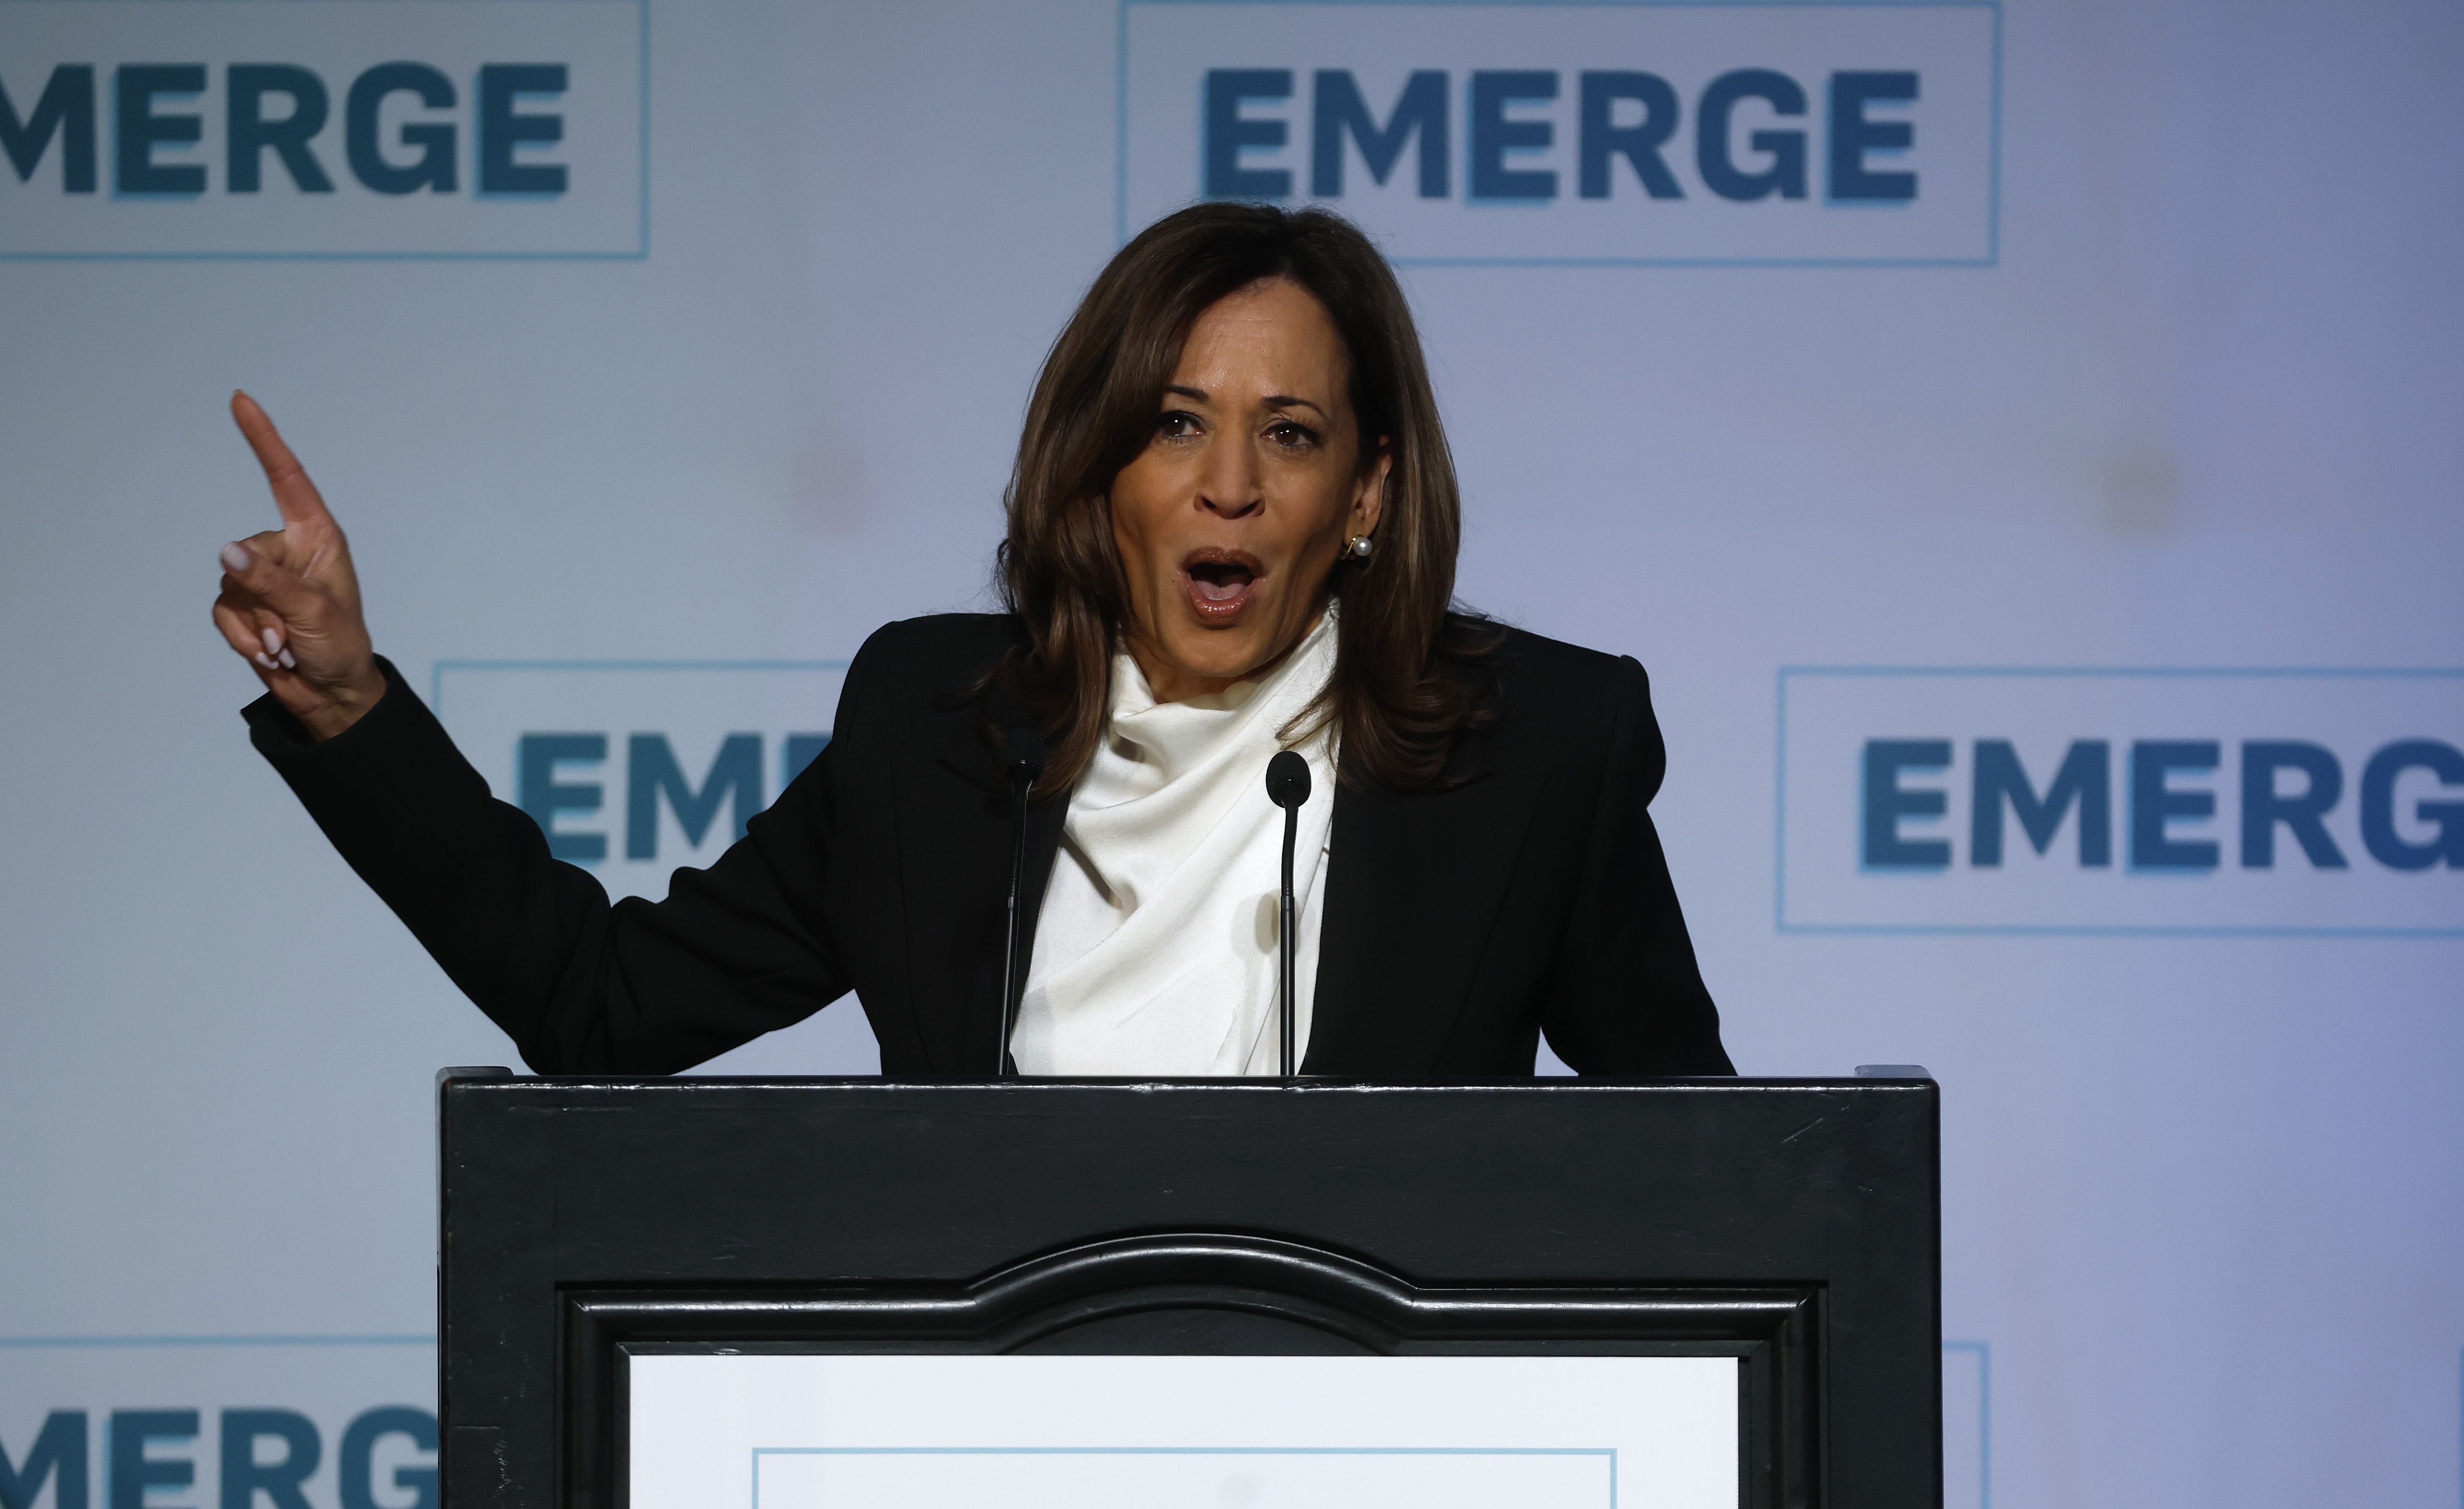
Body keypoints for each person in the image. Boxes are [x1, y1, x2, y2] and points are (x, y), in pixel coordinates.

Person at [211, 203, 1730, 1079]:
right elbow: (596, 1004)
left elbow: (1703, 1177)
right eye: (1176, 425)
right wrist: (348, 705)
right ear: (1098, 471)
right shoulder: (937, 729)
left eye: (1290, 433)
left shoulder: (1533, 751)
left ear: (1365, 493)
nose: (1228, 485)